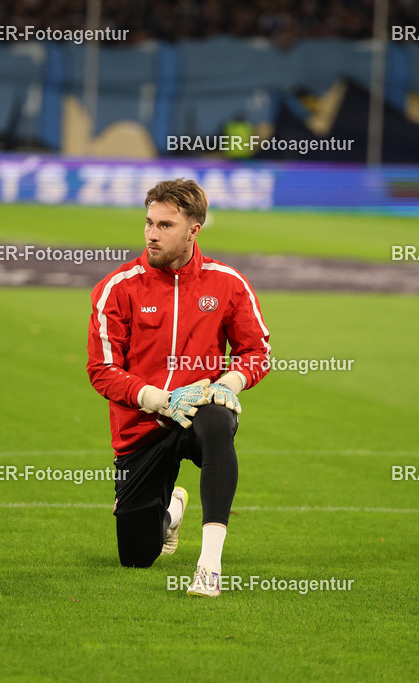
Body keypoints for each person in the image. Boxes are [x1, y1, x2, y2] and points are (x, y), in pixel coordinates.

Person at [87, 178, 271, 597]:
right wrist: (158, 399)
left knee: (218, 423)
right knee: (136, 555)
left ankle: (210, 564)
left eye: (165, 225)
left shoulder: (227, 284)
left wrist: (231, 382)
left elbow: (256, 350)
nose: (152, 233)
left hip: (197, 410)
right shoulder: (117, 288)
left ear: (194, 229)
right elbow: (101, 369)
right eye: (149, 222)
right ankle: (170, 514)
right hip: (142, 426)